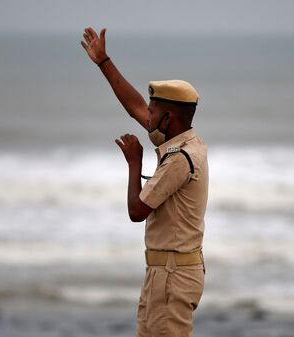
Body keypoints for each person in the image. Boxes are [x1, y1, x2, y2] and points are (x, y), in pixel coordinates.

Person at [81, 27, 209, 337]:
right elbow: (135, 105)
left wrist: (134, 161)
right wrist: (103, 61)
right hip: (162, 271)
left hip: (173, 275)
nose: (146, 115)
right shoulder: (179, 138)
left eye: (153, 112)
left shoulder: (180, 158)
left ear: (169, 119)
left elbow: (137, 211)